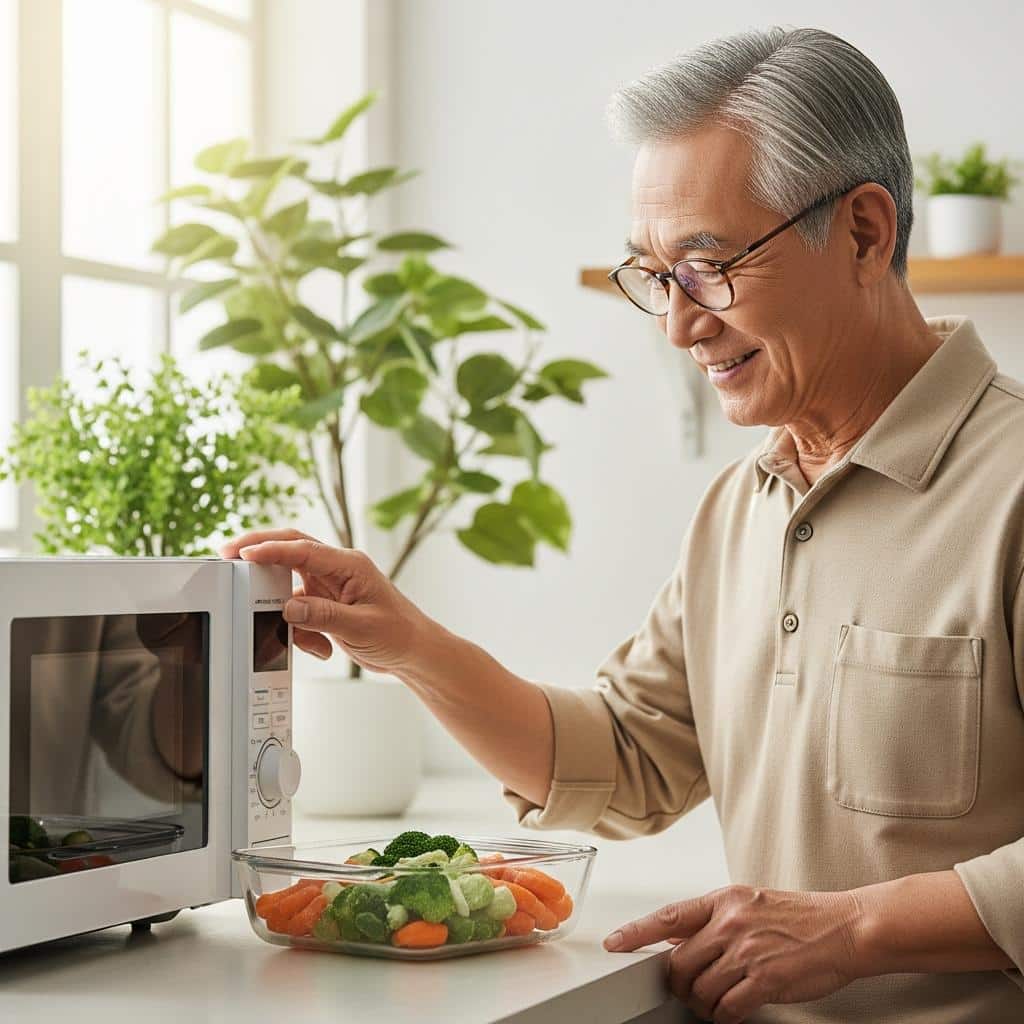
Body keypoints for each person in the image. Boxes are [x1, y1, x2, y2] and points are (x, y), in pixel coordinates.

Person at [222, 26, 1024, 1023]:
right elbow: (624, 759)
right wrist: (408, 645)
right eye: (652, 275)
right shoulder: (741, 508)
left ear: (863, 232)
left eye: (707, 264)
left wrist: (854, 928)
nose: (680, 323)